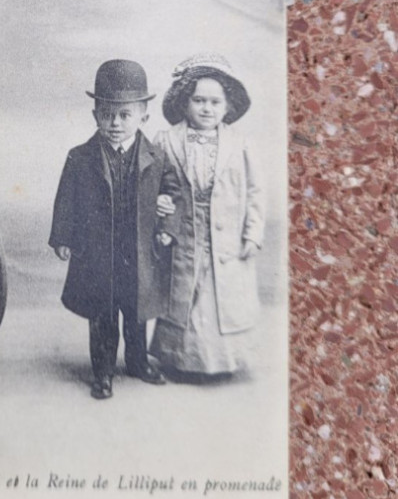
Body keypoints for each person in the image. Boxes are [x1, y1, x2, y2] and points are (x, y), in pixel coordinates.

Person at [49, 60, 182, 399]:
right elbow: (66, 200)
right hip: (99, 253)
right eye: (107, 114)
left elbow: (174, 195)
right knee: (103, 316)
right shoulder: (80, 158)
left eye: (125, 115)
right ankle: (103, 371)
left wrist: (167, 224)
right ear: (95, 115)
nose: (115, 123)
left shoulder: (158, 157)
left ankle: (137, 362)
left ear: (143, 118)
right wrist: (63, 238)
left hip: (138, 253)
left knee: (136, 314)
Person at [149, 53, 264, 379]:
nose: (206, 108)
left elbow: (256, 191)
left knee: (220, 296)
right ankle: (180, 360)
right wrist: (160, 203)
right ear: (185, 103)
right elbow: (154, 183)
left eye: (215, 102)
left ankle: (223, 362)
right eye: (199, 100)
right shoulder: (167, 140)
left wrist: (253, 232)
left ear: (227, 106)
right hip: (184, 232)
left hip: (226, 236)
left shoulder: (240, 144)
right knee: (186, 292)